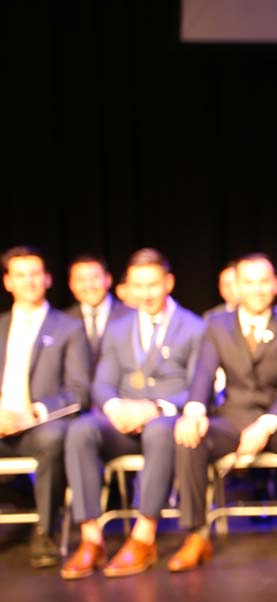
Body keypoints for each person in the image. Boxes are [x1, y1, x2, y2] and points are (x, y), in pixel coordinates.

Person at [59, 249, 206, 579]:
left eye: (153, 285)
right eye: (138, 286)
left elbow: (199, 385)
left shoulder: (194, 327)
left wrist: (153, 408)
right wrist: (114, 408)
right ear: (128, 287)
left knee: (160, 430)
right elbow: (103, 382)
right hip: (121, 420)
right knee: (81, 430)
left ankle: (143, 536)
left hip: (163, 417)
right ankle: (91, 539)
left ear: (168, 283)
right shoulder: (118, 327)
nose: (146, 294)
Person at [173, 253, 277, 570]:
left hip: (276, 417)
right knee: (189, 436)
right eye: (249, 282)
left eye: (264, 281)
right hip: (231, 416)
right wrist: (193, 411)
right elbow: (203, 375)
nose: (257, 289)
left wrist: (265, 425)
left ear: (276, 285)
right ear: (236, 286)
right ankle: (196, 533)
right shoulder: (216, 326)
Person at [0, 246, 90, 567]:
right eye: (20, 275)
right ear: (8, 282)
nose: (29, 282)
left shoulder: (68, 328)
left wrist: (31, 413)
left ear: (48, 279)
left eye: (35, 274)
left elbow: (79, 392)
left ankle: (45, 530)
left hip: (39, 424)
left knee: (53, 439)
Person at [66, 254, 133, 364]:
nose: (89, 285)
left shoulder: (130, 316)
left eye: (94, 278)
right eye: (81, 279)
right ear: (71, 285)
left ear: (108, 279)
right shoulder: (65, 320)